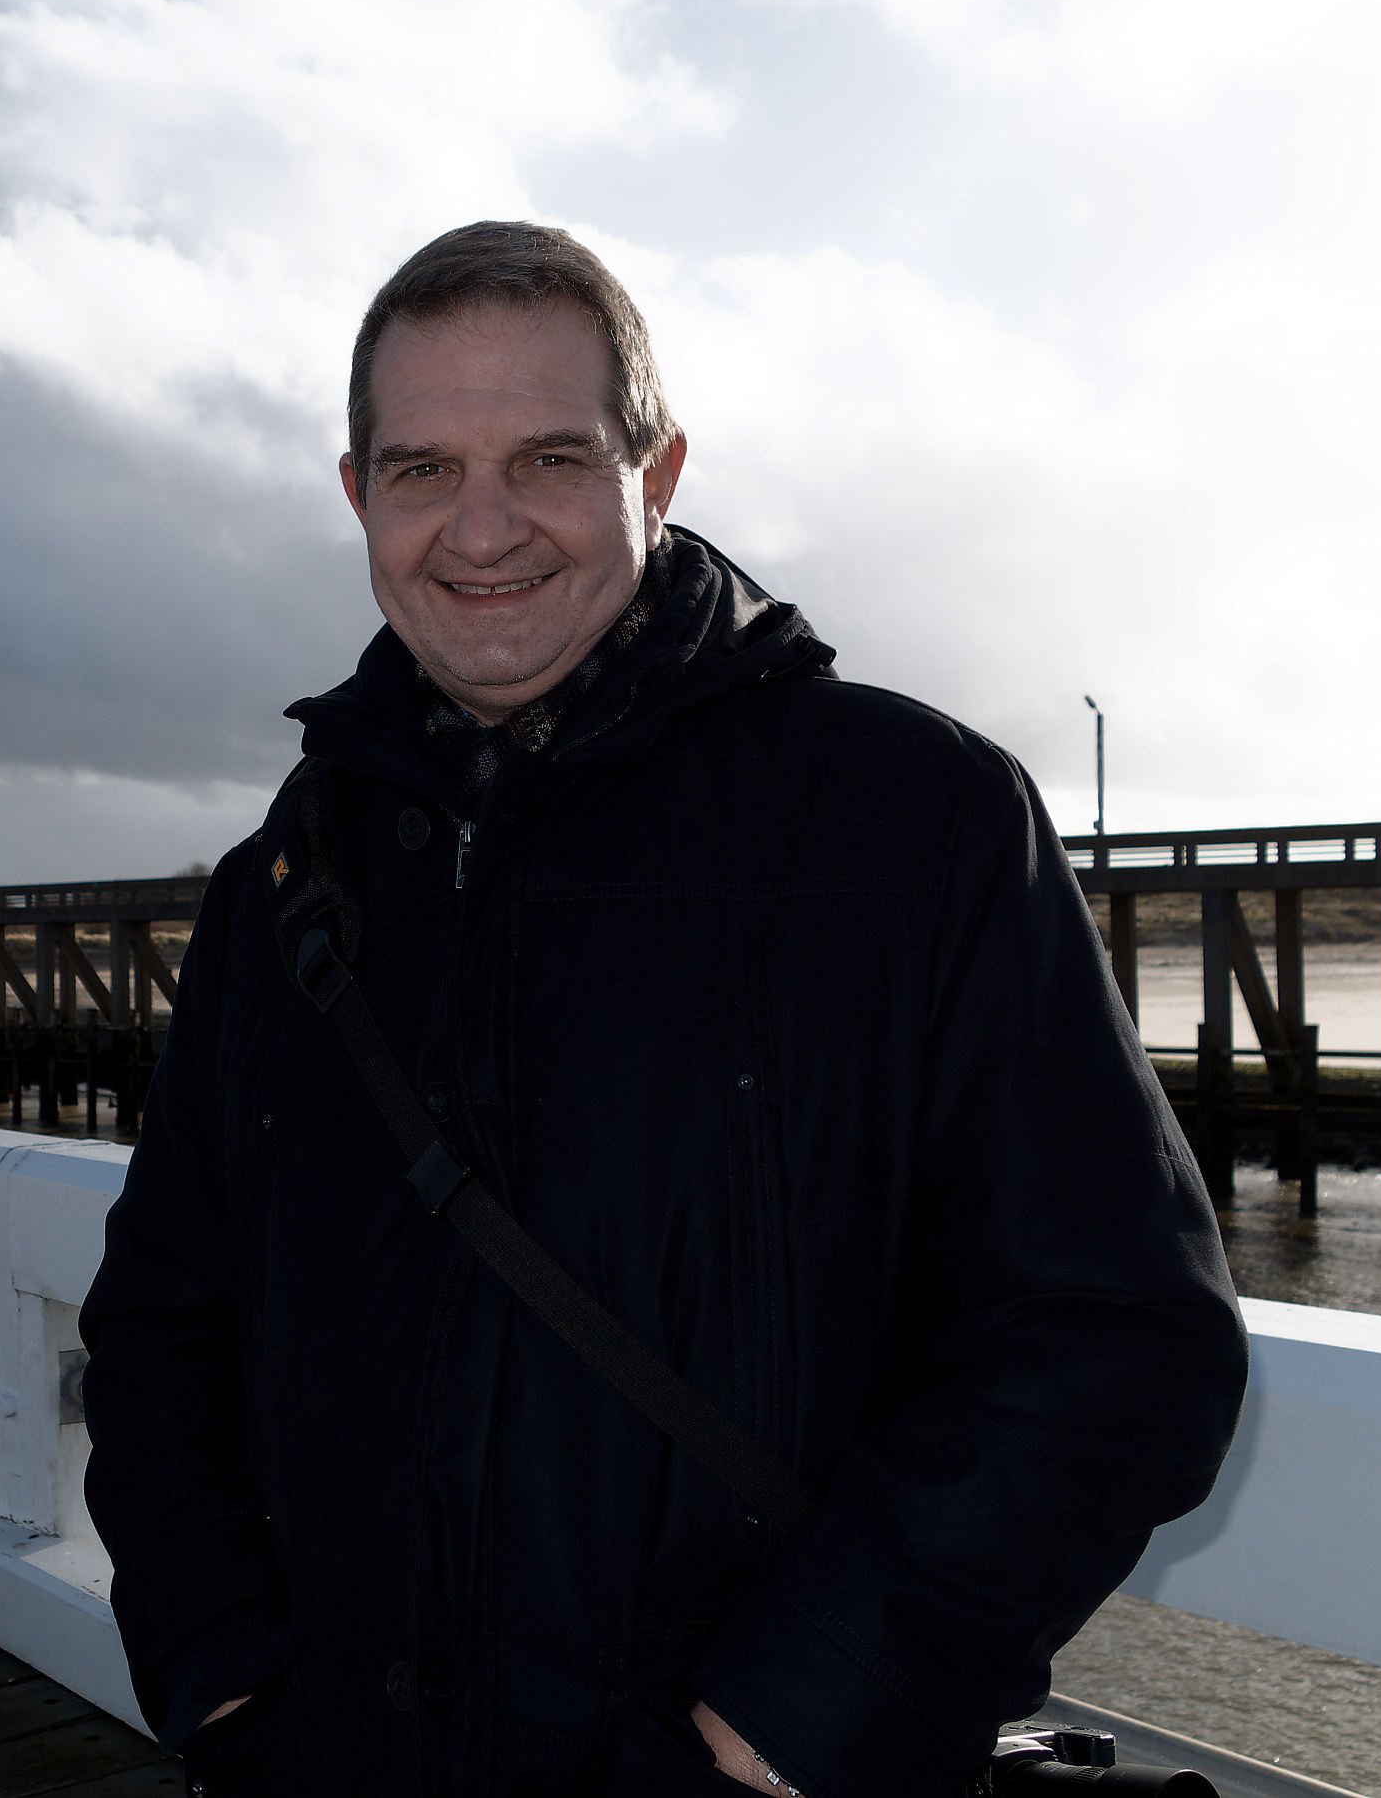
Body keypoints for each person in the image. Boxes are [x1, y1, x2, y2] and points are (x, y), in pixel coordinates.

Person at [79, 222, 1247, 1798]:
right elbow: (164, 1323)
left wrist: (796, 1723)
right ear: (358, 495)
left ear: (660, 470)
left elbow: (1114, 1336)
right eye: (423, 470)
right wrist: (225, 1684)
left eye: (549, 459)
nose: (481, 527)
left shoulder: (907, 825)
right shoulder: (282, 885)